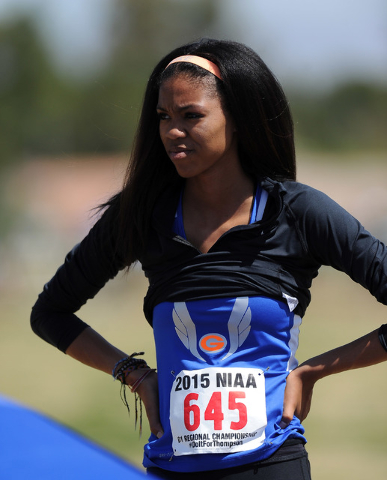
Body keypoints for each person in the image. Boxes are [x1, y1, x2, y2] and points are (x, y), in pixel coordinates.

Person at [31, 38, 387, 480]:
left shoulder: (296, 213)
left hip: (271, 465)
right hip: (169, 468)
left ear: (237, 120)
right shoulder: (143, 215)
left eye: (191, 116)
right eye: (163, 117)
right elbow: (50, 313)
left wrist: (311, 372)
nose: (171, 131)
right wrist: (135, 375)